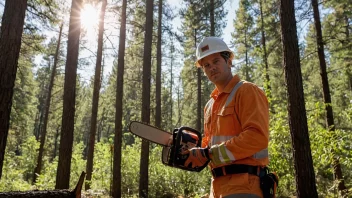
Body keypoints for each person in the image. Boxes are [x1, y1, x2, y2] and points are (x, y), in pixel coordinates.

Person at [183, 37, 270, 198]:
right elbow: (209, 144)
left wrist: (209, 153)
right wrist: (190, 151)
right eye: (206, 65)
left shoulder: (246, 91)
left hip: (245, 184)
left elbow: (257, 137)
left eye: (216, 61)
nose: (212, 68)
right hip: (217, 188)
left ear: (229, 61)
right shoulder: (210, 105)